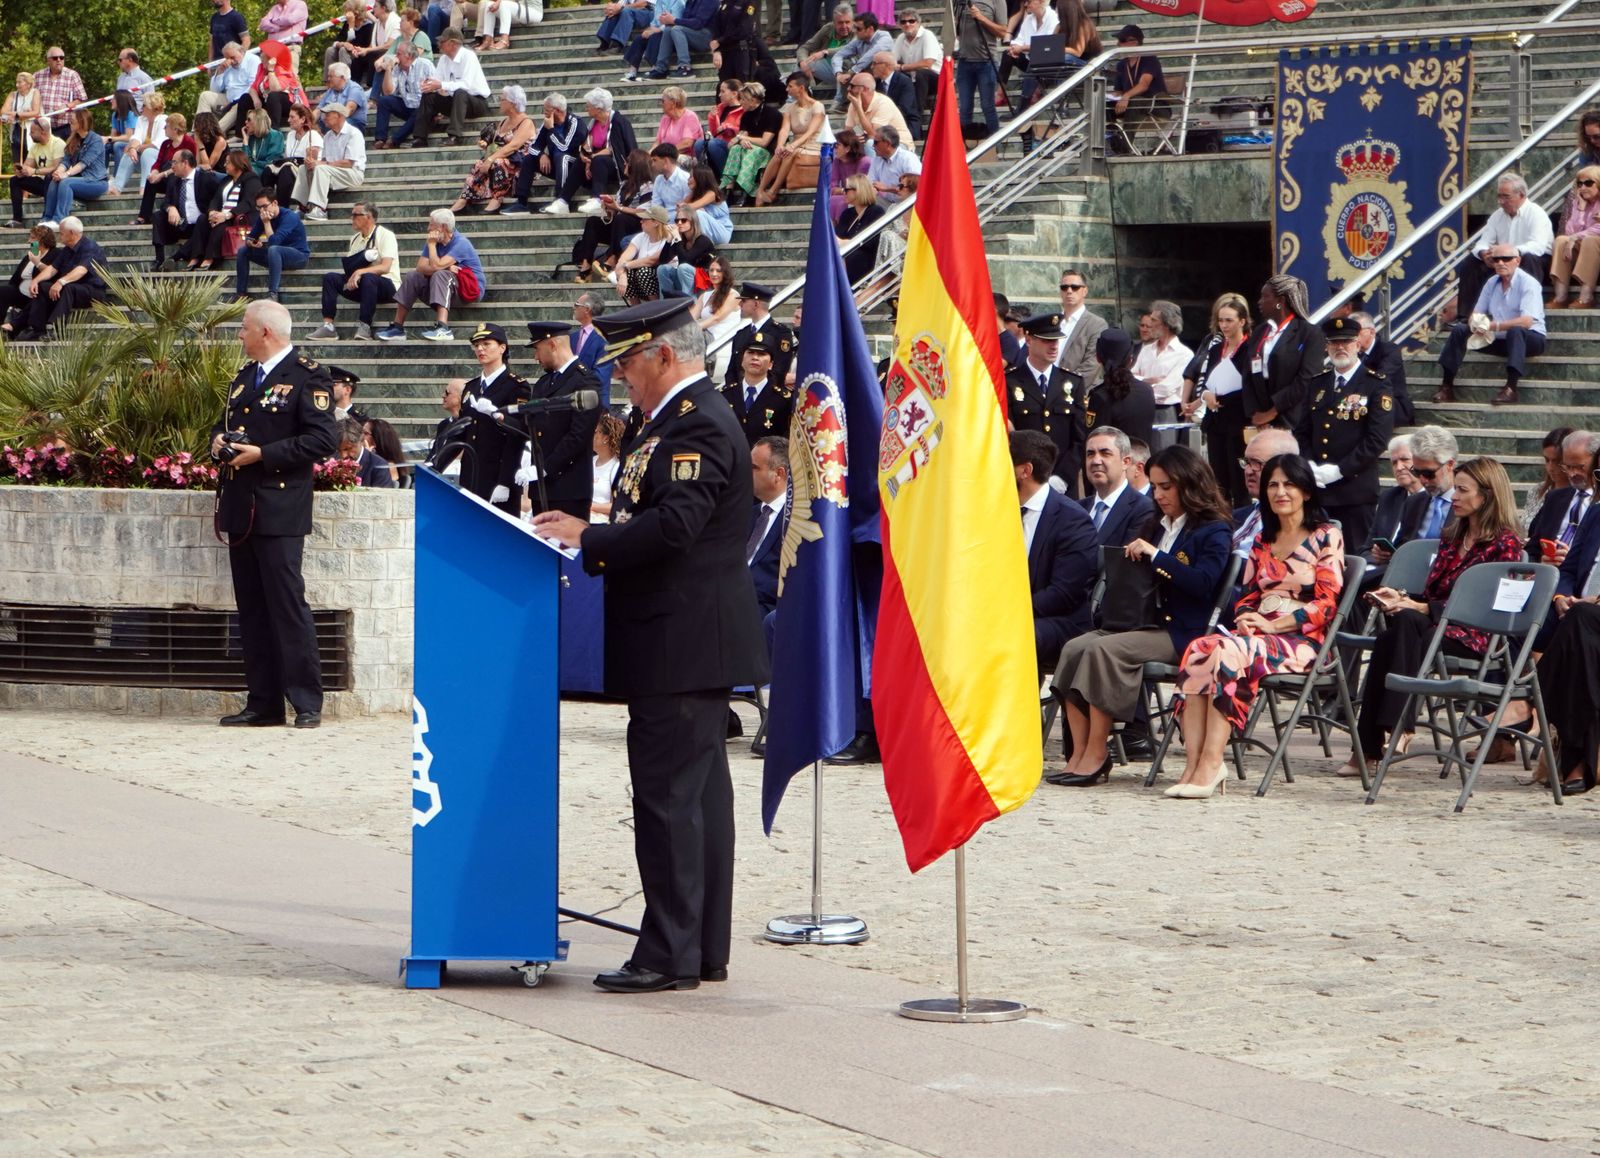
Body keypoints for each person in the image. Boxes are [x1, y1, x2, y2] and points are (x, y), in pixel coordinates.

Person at [531, 297, 767, 994]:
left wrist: (588, 539)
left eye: (629, 362)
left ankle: (668, 953)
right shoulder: (669, 421)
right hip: (681, 639)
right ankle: (695, 946)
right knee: (692, 802)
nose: (622, 378)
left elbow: (672, 528)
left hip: (683, 640)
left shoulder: (697, 427)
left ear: (665, 355)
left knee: (670, 802)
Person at [1048, 445, 1232, 786]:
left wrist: (1156, 556)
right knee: (1075, 647)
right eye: (1156, 486)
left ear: (1189, 484)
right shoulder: (1158, 524)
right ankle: (1079, 753)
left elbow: (1204, 584)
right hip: (1142, 621)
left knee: (1103, 650)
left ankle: (1098, 753)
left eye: (1166, 487)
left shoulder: (1213, 530)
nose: (1158, 495)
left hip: (1184, 632)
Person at [1338, 456, 1525, 780]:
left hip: (1477, 635)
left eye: (1463, 491)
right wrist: (1403, 600)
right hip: (1432, 629)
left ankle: (1370, 746)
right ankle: (1393, 730)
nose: (1454, 497)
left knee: (1403, 631)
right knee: (1395, 630)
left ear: (1487, 495)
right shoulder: (1452, 537)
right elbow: (1433, 592)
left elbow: (1495, 605)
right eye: (1455, 489)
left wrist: (1426, 610)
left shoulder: (1505, 544)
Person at [1169, 454, 1344, 798]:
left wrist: (1274, 625)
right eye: (1273, 485)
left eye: (1289, 484)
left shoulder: (1327, 536)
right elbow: (1249, 595)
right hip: (1259, 636)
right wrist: (1248, 618)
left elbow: (1326, 604)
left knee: (1228, 651)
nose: (1281, 492)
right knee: (1200, 648)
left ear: (1306, 491)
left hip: (1301, 641)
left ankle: (1213, 762)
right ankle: (1192, 764)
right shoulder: (1264, 540)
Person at [210, 299, 339, 729]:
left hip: (280, 507)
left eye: (243, 328)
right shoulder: (245, 377)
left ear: (265, 332)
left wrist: (263, 455)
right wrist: (218, 443)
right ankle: (263, 702)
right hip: (242, 506)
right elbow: (231, 424)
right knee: (252, 608)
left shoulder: (308, 376)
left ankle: (306, 701)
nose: (239, 335)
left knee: (286, 605)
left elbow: (322, 441)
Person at [1292, 315, 1395, 551]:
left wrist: (1341, 470)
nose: (1340, 348)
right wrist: (1310, 465)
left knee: (1353, 557)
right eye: (1334, 342)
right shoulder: (1317, 382)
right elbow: (1302, 431)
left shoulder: (1376, 384)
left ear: (1358, 345)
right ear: (1326, 346)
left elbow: (1377, 439)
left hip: (1355, 492)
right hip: (1318, 489)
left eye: (1346, 342)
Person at [1012, 429, 1096, 670]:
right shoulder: (997, 511)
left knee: (1007, 636)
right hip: (1013, 615)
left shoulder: (1072, 520)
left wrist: (1010, 611)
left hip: (1061, 621)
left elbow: (1064, 593)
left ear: (1024, 471)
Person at [1435, 244, 1545, 407]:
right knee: (1460, 330)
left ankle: (1511, 389)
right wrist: (1477, 324)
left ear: (1517, 260)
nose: (1500, 263)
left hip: (1531, 339)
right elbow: (1476, 314)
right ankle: (1446, 386)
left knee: (1517, 330)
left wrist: (1493, 326)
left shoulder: (1529, 283)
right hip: (1498, 338)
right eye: (1496, 259)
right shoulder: (1491, 282)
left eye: (1506, 259)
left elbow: (1527, 321)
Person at [518, 320, 604, 516]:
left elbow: (579, 434)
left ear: (552, 345)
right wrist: (498, 416)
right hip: (541, 488)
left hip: (568, 487)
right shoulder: (543, 383)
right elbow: (531, 424)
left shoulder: (585, 379)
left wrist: (545, 468)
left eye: (537, 349)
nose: (535, 357)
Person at [1180, 292, 1252, 507]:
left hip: (1237, 419)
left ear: (1242, 321)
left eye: (1229, 320)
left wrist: (1223, 396)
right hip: (1216, 419)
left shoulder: (1250, 348)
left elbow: (1251, 386)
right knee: (1218, 480)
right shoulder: (1216, 347)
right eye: (1221, 320)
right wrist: (1205, 395)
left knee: (1239, 480)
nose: (1224, 325)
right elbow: (1205, 378)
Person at [454, 321, 531, 514]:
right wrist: (436, 462)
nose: (480, 349)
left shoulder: (516, 386)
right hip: (471, 474)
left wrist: (506, 481)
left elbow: (520, 433)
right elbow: (462, 430)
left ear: (502, 348)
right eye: (477, 345)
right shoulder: (471, 387)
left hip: (498, 475)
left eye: (486, 344)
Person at [377, 207, 485, 342]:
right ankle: (397, 328)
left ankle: (443, 328)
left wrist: (433, 250)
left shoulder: (461, 243)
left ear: (443, 227)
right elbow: (420, 267)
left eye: (432, 225)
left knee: (440, 274)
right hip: (443, 288)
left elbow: (435, 266)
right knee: (413, 276)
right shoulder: (433, 241)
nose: (428, 228)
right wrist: (443, 266)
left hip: (468, 291)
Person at [1006, 311, 1085, 495]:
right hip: (1024, 482)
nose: (1053, 346)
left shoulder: (1072, 383)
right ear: (1028, 340)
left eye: (1056, 340)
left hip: (1063, 486)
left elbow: (1080, 439)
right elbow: (1009, 436)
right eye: (1046, 340)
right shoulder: (1010, 382)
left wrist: (1062, 477)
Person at [1456, 173, 1553, 315]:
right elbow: (1482, 243)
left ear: (1521, 195)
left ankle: (1527, 311)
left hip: (1536, 260)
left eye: (1506, 197)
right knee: (1471, 262)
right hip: (1504, 259)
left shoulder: (1536, 213)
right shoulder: (1497, 216)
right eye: (1499, 196)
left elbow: (1537, 247)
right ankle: (1467, 316)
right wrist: (1484, 254)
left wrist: (1507, 252)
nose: (1501, 201)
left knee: (1528, 258)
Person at [311, 202, 402, 341]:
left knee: (369, 277)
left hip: (388, 287)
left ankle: (365, 326)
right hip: (363, 286)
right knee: (330, 278)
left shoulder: (385, 235)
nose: (351, 218)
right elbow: (351, 266)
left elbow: (386, 267)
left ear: (368, 217)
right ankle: (328, 326)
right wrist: (356, 273)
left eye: (355, 215)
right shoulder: (355, 239)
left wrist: (361, 271)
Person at [543, 88, 640, 216]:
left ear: (598, 108)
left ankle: (597, 199)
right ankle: (563, 200)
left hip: (617, 167)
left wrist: (593, 158)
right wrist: (586, 157)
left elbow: (614, 149)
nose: (586, 108)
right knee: (580, 160)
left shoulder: (618, 122)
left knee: (599, 160)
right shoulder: (593, 123)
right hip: (597, 166)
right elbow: (586, 144)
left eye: (588, 106)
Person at [449, 85, 536, 214]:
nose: (499, 103)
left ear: (512, 103)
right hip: (501, 158)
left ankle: (497, 199)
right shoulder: (503, 121)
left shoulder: (526, 122)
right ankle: (464, 199)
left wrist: (491, 158)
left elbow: (514, 146)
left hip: (519, 163)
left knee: (497, 163)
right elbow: (497, 144)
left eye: (502, 100)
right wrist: (487, 146)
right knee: (479, 163)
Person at [755, 74, 827, 206]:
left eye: (790, 86)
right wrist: (780, 145)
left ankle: (772, 191)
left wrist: (793, 146)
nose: (787, 89)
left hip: (813, 144)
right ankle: (760, 191)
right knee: (779, 154)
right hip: (795, 143)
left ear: (801, 88)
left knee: (790, 152)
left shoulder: (817, 106)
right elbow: (784, 129)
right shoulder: (789, 107)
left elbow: (811, 132)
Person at [1227, 428, 1299, 560]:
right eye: (1247, 462)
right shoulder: (1234, 517)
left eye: (1257, 463)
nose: (1248, 471)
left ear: (1287, 468)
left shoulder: (1301, 524)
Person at [1527, 430, 1598, 564]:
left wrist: (1572, 560)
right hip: (1548, 576)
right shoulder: (1555, 498)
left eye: (1579, 467)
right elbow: (1532, 549)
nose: (1572, 474)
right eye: (1567, 467)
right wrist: (1541, 563)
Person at [1080, 426, 1155, 551]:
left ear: (1125, 462)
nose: (1096, 461)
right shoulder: (1077, 509)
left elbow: (1124, 562)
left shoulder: (1144, 509)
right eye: (1090, 454)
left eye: (1105, 453)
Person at [504, 92, 581, 211]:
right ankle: (521, 202)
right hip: (555, 165)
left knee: (562, 157)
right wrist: (541, 154)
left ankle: (561, 201)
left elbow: (564, 147)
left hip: (574, 167)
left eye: (546, 110)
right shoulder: (548, 123)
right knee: (530, 158)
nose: (544, 113)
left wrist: (551, 129)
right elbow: (533, 146)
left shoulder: (575, 122)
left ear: (557, 110)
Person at [413, 29, 491, 146]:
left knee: (460, 92)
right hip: (455, 102)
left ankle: (454, 136)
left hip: (476, 102)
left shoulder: (469, 56)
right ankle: (420, 137)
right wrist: (429, 84)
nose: (439, 45)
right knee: (428, 96)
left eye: (442, 42)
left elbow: (466, 85)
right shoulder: (443, 60)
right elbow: (437, 81)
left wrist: (441, 85)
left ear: (453, 43)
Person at [291, 104, 365, 221]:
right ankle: (303, 207)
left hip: (353, 174)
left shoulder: (354, 134)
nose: (324, 118)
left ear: (339, 116)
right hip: (333, 172)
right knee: (303, 168)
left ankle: (320, 209)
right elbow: (325, 161)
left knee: (320, 168)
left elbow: (349, 163)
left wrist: (321, 164)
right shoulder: (327, 136)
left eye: (328, 115)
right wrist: (313, 161)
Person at [718, 331, 793, 445]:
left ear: (771, 364)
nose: (755, 357)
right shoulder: (725, 395)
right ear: (742, 360)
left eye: (762, 354)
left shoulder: (782, 400)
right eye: (751, 352)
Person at [235, 187, 309, 301]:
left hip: (298, 256)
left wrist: (266, 223)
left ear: (274, 203)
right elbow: (250, 238)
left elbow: (274, 242)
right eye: (258, 207)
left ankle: (272, 294)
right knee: (243, 251)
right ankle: (241, 294)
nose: (262, 211)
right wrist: (252, 243)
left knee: (274, 249)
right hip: (275, 257)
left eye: (264, 206)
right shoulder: (263, 216)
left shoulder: (290, 217)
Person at [1132, 300, 1192, 440]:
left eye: (1153, 320)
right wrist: (1146, 381)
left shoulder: (1184, 354)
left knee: (1163, 455)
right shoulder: (1146, 350)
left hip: (1165, 412)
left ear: (1167, 324)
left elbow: (1166, 388)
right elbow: (1130, 377)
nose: (1149, 325)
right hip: (1141, 409)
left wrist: (1140, 386)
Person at [1086, 328, 1154, 449]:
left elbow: (1094, 443)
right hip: (1141, 463)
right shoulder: (1147, 391)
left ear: (1098, 357)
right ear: (1131, 358)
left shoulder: (1100, 396)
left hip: (1114, 465)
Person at [150, 149, 215, 270]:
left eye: (174, 162)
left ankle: (175, 257)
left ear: (185, 163)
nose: (171, 166)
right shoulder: (173, 180)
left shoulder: (205, 178)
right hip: (180, 222)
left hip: (199, 225)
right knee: (158, 216)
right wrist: (171, 208)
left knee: (203, 221)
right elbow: (165, 203)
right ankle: (159, 259)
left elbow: (216, 200)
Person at [40, 110, 108, 226]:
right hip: (81, 179)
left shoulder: (95, 140)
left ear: (81, 122)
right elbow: (66, 161)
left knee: (66, 183)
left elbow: (83, 164)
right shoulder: (73, 140)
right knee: (55, 180)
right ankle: (46, 219)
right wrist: (58, 172)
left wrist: (66, 174)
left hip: (96, 181)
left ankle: (58, 220)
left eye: (72, 121)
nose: (69, 123)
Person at [718, 82, 780, 207]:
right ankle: (728, 189)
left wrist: (744, 138)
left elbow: (764, 142)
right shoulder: (746, 115)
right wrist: (742, 140)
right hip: (750, 147)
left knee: (751, 152)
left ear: (753, 100)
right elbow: (740, 137)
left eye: (743, 99)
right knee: (736, 149)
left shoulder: (771, 113)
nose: (741, 102)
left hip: (767, 150)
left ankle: (745, 190)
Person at [723, 280, 795, 387]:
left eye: (743, 301)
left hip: (767, 398)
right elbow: (732, 372)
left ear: (756, 304)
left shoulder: (781, 333)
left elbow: (779, 372)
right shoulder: (741, 334)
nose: (739, 304)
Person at [1548, 165, 1600, 310]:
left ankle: (1586, 296)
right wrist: (1581, 210)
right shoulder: (1579, 203)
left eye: (1588, 183)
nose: (1583, 187)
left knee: (1590, 240)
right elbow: (1569, 232)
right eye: (1579, 183)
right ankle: (1561, 296)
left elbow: (1598, 229)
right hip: (1584, 250)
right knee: (1560, 240)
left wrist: (1575, 238)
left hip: (1594, 247)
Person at [130, 115, 198, 227]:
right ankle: (144, 216)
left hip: (180, 179)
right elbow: (158, 162)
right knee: (150, 182)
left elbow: (189, 166)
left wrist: (162, 174)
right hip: (164, 176)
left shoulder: (189, 143)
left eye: (166, 127)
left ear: (175, 129)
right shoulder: (166, 144)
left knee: (173, 177)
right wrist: (154, 173)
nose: (164, 129)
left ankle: (170, 208)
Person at [1350, 310, 1414, 426]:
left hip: (1391, 403)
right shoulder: (1352, 353)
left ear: (1372, 332)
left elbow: (1380, 379)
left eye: (1357, 332)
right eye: (1350, 333)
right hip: (1359, 401)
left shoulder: (1389, 350)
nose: (1353, 338)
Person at [747, 434, 788, 613]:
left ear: (778, 474)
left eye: (754, 468)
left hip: (763, 610)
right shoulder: (749, 515)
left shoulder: (796, 519)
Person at [954, 0, 1005, 142]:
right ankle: (964, 145)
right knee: (964, 107)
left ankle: (994, 143)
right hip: (965, 61)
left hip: (986, 61)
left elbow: (1002, 32)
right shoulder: (959, 2)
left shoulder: (997, 2)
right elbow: (956, 30)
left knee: (988, 105)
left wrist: (982, 18)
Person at [373, 37, 436, 148]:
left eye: (399, 54)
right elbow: (388, 92)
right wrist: (388, 69)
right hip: (407, 105)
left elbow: (435, 87)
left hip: (424, 109)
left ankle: (394, 140)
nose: (396, 57)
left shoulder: (425, 65)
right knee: (384, 100)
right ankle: (380, 138)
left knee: (420, 110)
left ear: (409, 56)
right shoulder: (397, 68)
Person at [0, 225, 58, 335]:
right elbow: (16, 279)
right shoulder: (29, 256)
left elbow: (54, 273)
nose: (29, 241)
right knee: (3, 291)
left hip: (39, 297)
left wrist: (37, 263)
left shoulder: (55, 254)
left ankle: (13, 329)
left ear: (42, 240)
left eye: (32, 238)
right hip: (22, 295)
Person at [1521, 426, 1577, 536]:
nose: (1550, 467)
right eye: (1547, 460)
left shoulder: (1580, 495)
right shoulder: (1537, 491)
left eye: (1556, 461)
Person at [7, 121, 64, 229]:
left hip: (57, 183)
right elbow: (28, 164)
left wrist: (34, 171)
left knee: (49, 177)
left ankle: (47, 217)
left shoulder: (58, 143)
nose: (29, 134)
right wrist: (21, 170)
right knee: (14, 180)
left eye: (32, 132)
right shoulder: (35, 146)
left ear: (43, 132)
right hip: (42, 183)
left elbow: (56, 168)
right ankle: (17, 219)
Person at [1055, 267, 1107, 385]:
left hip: (1077, 393)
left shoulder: (1096, 324)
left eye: (1075, 287)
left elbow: (1092, 364)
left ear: (1085, 291)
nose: (1069, 291)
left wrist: (1063, 388)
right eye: (1064, 287)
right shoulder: (1054, 322)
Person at [643, 0, 717, 80]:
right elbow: (685, 22)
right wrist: (668, 20)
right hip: (692, 34)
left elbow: (698, 23)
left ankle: (685, 68)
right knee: (668, 29)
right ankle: (660, 69)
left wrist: (674, 20)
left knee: (676, 29)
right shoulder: (691, 1)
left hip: (707, 38)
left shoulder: (710, 1)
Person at [612, 204, 671, 303]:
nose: (641, 221)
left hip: (662, 280)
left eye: (644, 219)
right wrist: (622, 275)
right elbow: (623, 258)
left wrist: (625, 265)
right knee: (628, 274)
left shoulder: (669, 238)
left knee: (644, 272)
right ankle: (636, 311)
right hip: (643, 284)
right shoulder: (641, 237)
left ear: (655, 222)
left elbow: (652, 260)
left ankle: (656, 308)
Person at [834, 173, 886, 285]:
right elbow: (837, 236)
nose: (844, 192)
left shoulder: (876, 212)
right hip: (846, 259)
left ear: (858, 190)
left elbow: (871, 243)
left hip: (864, 262)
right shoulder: (847, 214)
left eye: (846, 189)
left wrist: (845, 243)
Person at [695, 254, 740, 380]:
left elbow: (717, 318)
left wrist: (693, 328)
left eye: (718, 271)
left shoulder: (733, 295)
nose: (714, 274)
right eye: (711, 270)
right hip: (704, 338)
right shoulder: (705, 295)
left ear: (725, 273)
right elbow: (691, 316)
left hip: (720, 342)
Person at [268, 104, 321, 207]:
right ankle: (267, 206)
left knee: (286, 171)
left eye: (292, 117)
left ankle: (282, 208)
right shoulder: (291, 135)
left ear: (302, 119)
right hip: (290, 167)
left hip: (305, 170)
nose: (288, 120)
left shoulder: (313, 135)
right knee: (268, 171)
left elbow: (311, 159)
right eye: (289, 117)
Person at [657, 207, 715, 297]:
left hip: (703, 282)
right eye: (677, 220)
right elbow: (662, 260)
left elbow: (686, 260)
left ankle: (688, 304)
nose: (679, 223)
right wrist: (668, 241)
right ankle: (666, 303)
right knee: (662, 269)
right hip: (685, 279)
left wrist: (677, 238)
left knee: (684, 268)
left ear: (692, 221)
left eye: (683, 220)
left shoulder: (703, 240)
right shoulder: (681, 241)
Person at [696, 79, 747, 180]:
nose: (719, 95)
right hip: (719, 143)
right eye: (720, 91)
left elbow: (745, 130)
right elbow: (715, 133)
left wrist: (730, 127)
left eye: (723, 91)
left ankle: (727, 177)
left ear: (734, 94)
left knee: (713, 144)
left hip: (734, 145)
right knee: (699, 143)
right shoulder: (720, 108)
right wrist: (712, 118)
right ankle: (708, 177)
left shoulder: (744, 109)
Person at [798, 5, 856, 94]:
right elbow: (804, 48)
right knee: (803, 63)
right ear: (834, 22)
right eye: (840, 23)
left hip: (849, 73)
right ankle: (795, 99)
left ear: (852, 22)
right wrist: (802, 63)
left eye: (847, 22)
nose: (844, 26)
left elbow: (852, 48)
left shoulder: (858, 31)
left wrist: (826, 52)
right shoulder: (828, 28)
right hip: (828, 70)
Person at [34, 48, 87, 138]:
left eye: (61, 58)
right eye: (55, 58)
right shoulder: (37, 76)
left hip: (65, 127)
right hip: (43, 128)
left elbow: (82, 99)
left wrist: (66, 107)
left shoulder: (72, 75)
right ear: (48, 61)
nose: (59, 60)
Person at [572, 289, 615, 393]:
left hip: (595, 401)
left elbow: (601, 376)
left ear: (587, 309)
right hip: (571, 402)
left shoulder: (604, 338)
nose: (573, 307)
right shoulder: (572, 337)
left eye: (577, 304)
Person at [337, 415, 396, 487]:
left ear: (361, 441)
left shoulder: (379, 466)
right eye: (338, 450)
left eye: (348, 449)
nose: (343, 455)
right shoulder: (331, 461)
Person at [589, 410, 626, 521]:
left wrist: (589, 506)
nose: (591, 435)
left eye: (595, 432)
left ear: (606, 438)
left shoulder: (617, 467)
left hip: (600, 524)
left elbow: (618, 506)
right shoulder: (590, 462)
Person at [259, 0, 311, 76]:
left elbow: (290, 20)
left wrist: (272, 21)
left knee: (290, 77)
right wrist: (278, 27)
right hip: (272, 50)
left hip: (290, 47)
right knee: (269, 78)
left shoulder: (300, 4)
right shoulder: (274, 8)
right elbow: (263, 24)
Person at [2, 72, 43, 166]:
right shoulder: (13, 94)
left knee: (30, 163)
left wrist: (16, 114)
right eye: (16, 82)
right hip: (16, 132)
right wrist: (25, 114)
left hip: (32, 132)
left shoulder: (35, 93)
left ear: (28, 84)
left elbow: (35, 112)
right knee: (17, 164)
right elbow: (3, 111)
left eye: (20, 82)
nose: (17, 85)